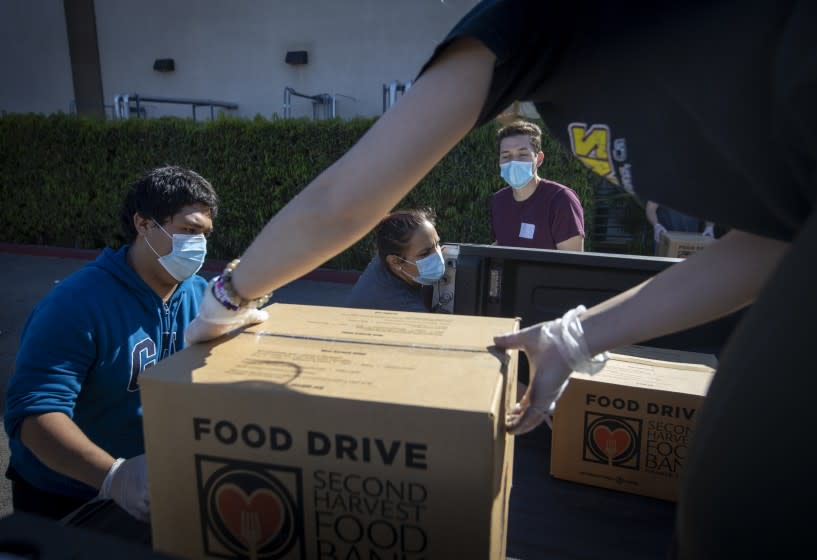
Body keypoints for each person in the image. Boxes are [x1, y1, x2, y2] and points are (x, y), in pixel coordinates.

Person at [183, 1, 815, 558]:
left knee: (741, 510)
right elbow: (768, 246)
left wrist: (229, 294)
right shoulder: (531, 34)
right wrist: (577, 335)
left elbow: (347, 201)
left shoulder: (535, 20)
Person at [4, 166, 218, 522]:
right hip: (66, 494)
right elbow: (33, 413)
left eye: (205, 234)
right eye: (188, 230)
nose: (198, 244)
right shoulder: (76, 304)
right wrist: (112, 476)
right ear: (144, 224)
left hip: (154, 486)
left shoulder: (201, 297)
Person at [491, 120, 585, 250]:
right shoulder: (499, 201)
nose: (513, 162)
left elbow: (573, 264)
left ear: (539, 159)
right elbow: (502, 244)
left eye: (523, 154)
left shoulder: (561, 199)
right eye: (506, 156)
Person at [345, 208, 444, 312]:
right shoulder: (405, 307)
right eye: (425, 253)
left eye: (437, 244)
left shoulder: (386, 255)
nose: (438, 255)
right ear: (395, 262)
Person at [646, 200, 714, 252]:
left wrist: (709, 227)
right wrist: (656, 225)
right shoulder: (665, 184)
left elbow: (709, 207)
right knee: (664, 267)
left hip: (691, 241)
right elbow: (650, 209)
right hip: (665, 238)